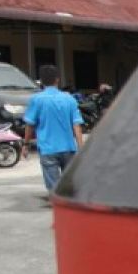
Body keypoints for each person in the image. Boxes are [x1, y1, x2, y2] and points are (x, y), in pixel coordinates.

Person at [23, 64, 84, 192]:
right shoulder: (69, 99)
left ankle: (57, 206)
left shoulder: (36, 100)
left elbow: (30, 125)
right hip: (68, 148)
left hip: (48, 149)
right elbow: (76, 125)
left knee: (54, 188)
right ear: (57, 79)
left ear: (41, 81)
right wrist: (80, 146)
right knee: (69, 185)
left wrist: (26, 145)